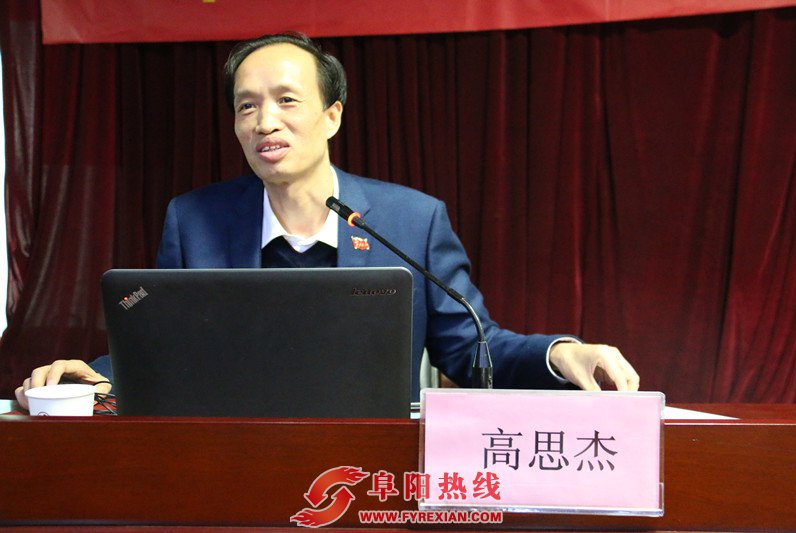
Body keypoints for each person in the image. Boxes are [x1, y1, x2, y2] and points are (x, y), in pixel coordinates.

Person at [15, 32, 639, 411]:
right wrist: (94, 376)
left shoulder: (412, 220)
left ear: (333, 116)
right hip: (231, 459)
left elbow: (473, 349)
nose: (265, 122)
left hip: (371, 470)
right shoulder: (194, 219)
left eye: (286, 100)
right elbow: (163, 350)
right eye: (246, 107)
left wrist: (562, 353)